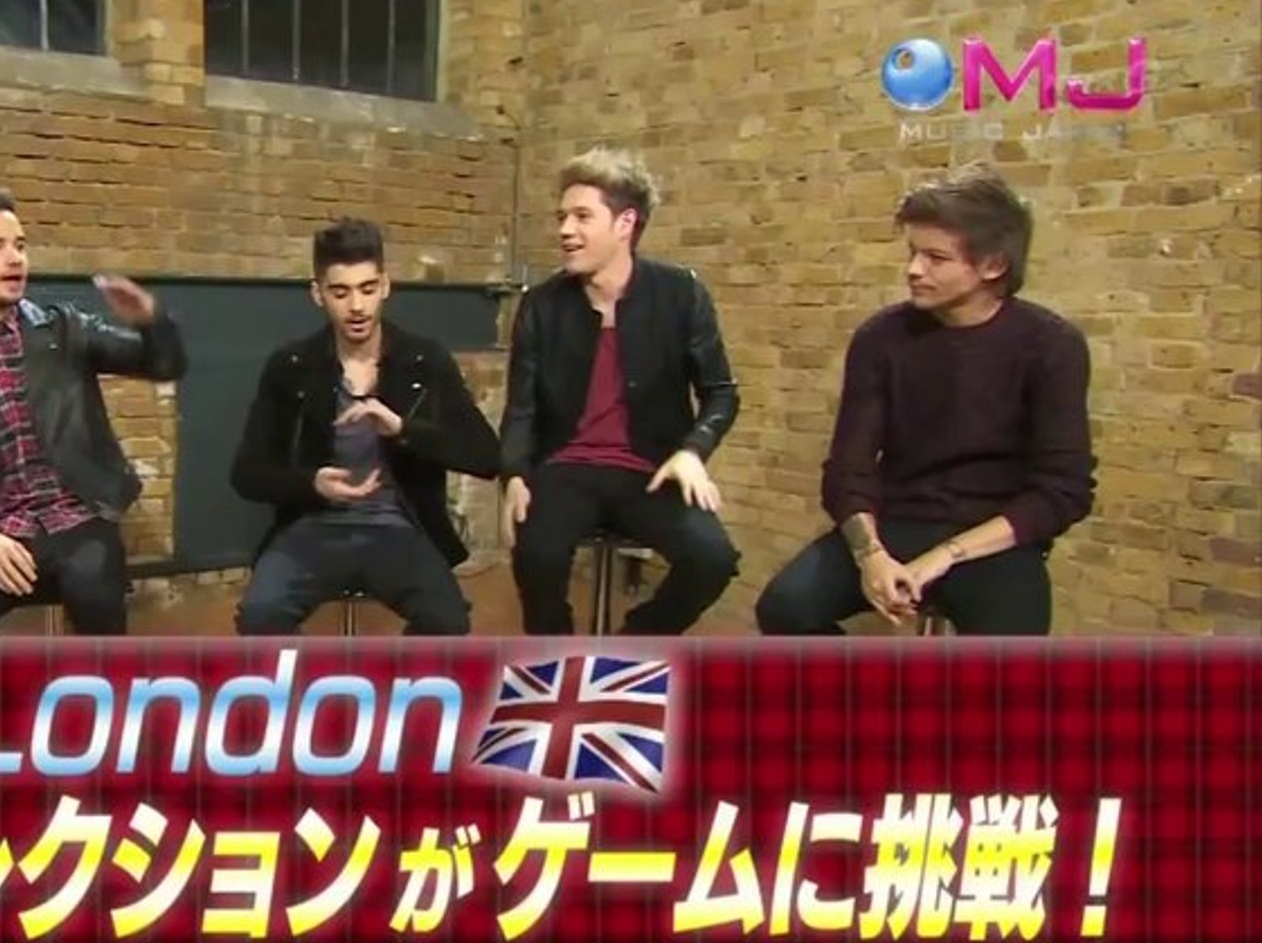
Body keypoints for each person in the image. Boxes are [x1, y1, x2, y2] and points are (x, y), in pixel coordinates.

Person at [757, 164, 1095, 635]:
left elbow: (1063, 491)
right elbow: (848, 470)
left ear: (993, 265)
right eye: (913, 253)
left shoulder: (1052, 346)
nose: (914, 270)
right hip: (896, 522)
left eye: (936, 257)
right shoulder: (881, 338)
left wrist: (946, 555)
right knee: (785, 609)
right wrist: (871, 555)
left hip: (994, 538)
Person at [0, 184, 187, 635]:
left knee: (99, 605)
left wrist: (151, 321)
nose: (14, 259)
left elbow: (164, 365)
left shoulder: (64, 329)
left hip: (77, 518)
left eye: (19, 245)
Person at [498, 147, 742, 635]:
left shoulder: (680, 293)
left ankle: (633, 646)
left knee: (713, 559)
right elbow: (521, 406)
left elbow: (721, 392)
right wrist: (514, 475)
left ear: (625, 223)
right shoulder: (541, 304)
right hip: (565, 466)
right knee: (536, 555)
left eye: (582, 216)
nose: (565, 230)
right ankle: (557, 659)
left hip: (651, 468)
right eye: (562, 217)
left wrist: (693, 450)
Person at [231, 219, 500, 634]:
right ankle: (304, 679)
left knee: (447, 623)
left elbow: (486, 456)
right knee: (259, 617)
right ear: (317, 293)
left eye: (368, 289)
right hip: (312, 528)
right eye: (340, 292)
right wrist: (312, 483)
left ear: (386, 286)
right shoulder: (292, 366)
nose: (357, 306)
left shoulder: (423, 360)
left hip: (399, 530)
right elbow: (247, 473)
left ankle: (393, 680)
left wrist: (403, 429)